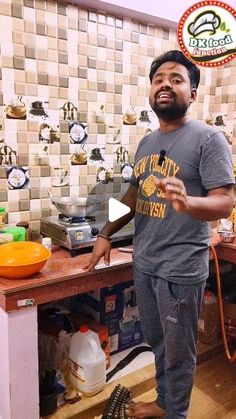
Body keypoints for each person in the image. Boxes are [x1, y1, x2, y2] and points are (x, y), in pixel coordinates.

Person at [83, 50, 235, 419]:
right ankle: (166, 404)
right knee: (159, 342)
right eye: (158, 79)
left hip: (179, 268)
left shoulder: (208, 138)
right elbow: (133, 196)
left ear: (193, 93)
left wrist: (188, 203)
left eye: (176, 78)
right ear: (151, 91)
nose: (165, 83)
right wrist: (105, 232)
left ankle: (174, 413)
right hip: (146, 262)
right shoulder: (147, 143)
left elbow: (225, 203)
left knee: (179, 349)